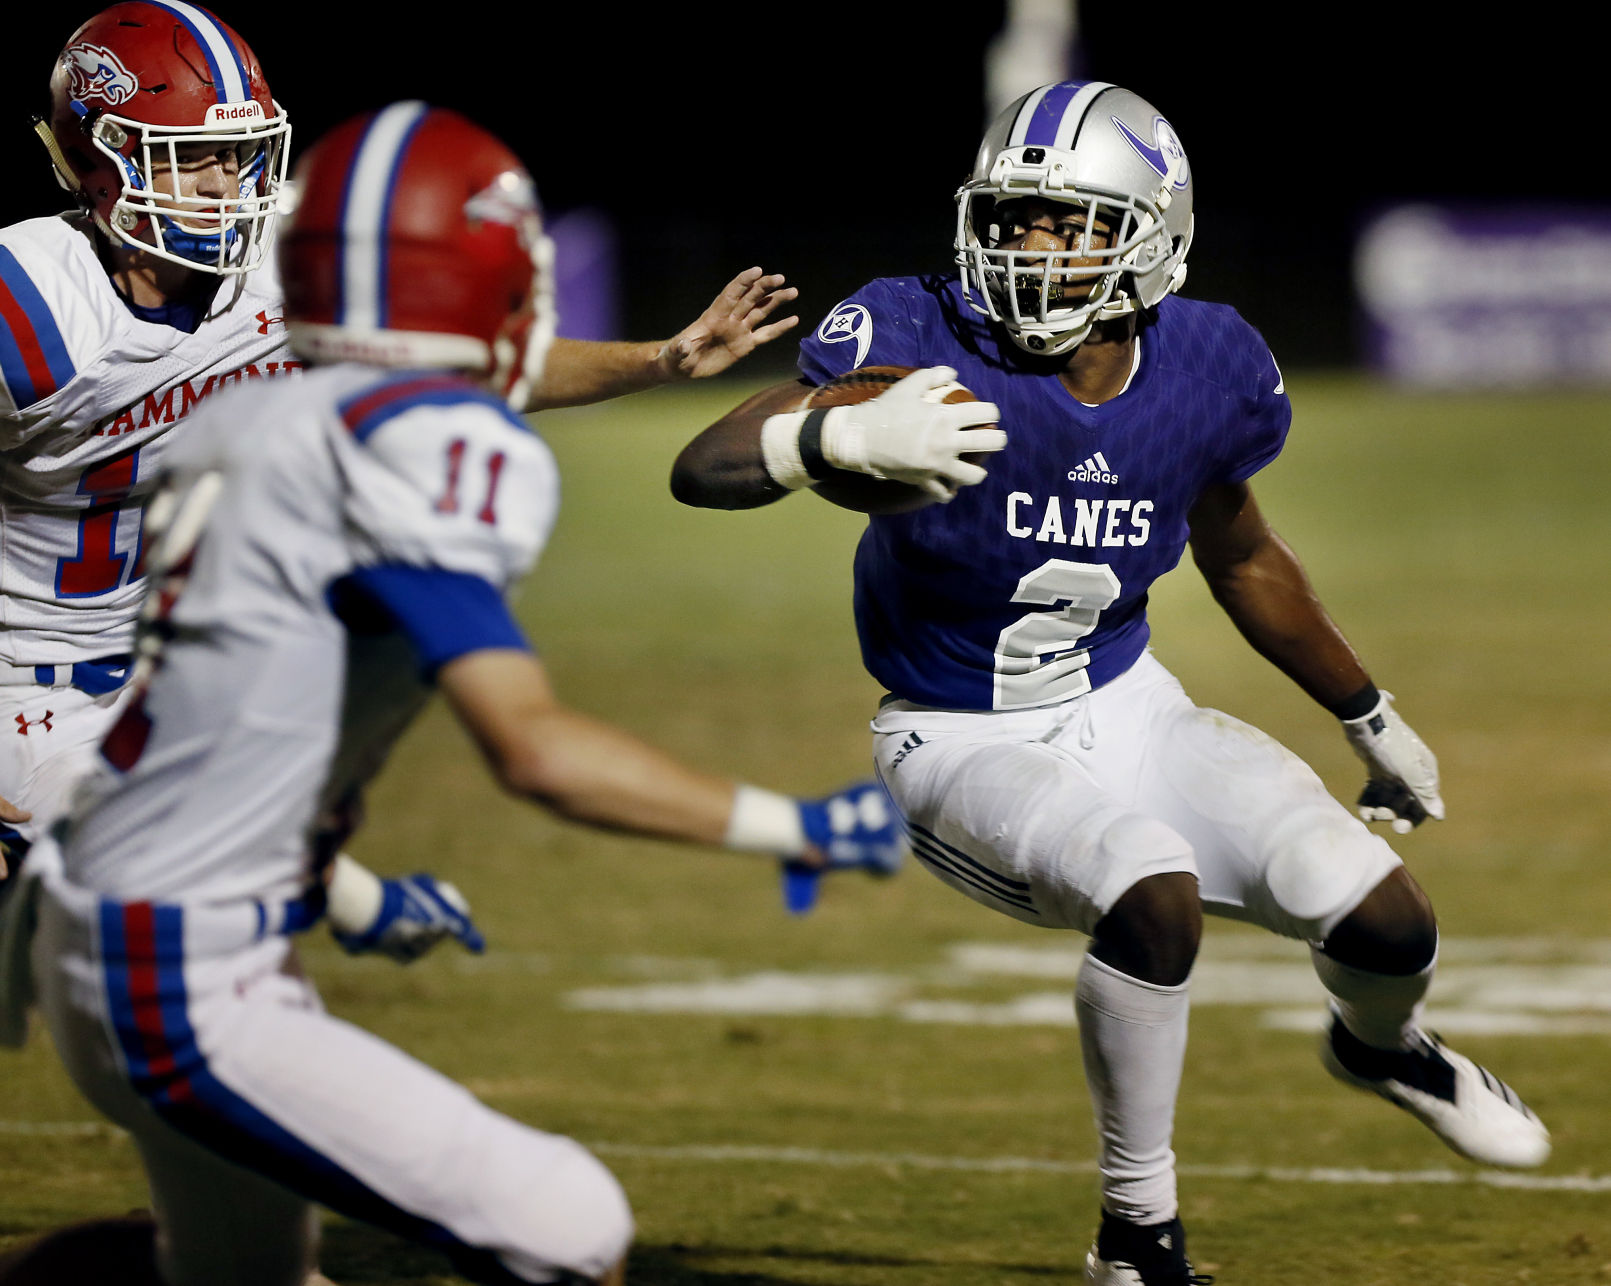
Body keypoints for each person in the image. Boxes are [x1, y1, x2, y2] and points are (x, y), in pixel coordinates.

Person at [0, 100, 901, 1286]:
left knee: (242, 1274)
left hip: (118, 905)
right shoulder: (426, 452)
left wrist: (346, 886)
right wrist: (799, 824)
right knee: (568, 1223)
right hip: (169, 954)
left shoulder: (258, 419)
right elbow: (530, 747)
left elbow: (221, 743)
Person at [669, 79, 1550, 1285]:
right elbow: (704, 463)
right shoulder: (917, 335)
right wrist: (820, 437)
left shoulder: (1208, 363)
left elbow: (1241, 552)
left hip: (1128, 704)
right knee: (1153, 889)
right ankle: (1138, 1237)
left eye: (1068, 223)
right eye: (1016, 218)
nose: (1031, 249)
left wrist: (1369, 709)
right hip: (956, 735)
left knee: (1381, 912)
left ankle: (1384, 1048)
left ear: (1153, 234)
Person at [0, 2, 806, 953]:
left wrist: (659, 360)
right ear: (99, 160)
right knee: (179, 904)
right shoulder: (32, 305)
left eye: (243, 153)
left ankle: (348, 906)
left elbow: (460, 361)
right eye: (190, 158)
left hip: (183, 665)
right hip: (28, 682)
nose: (229, 183)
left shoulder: (288, 257)